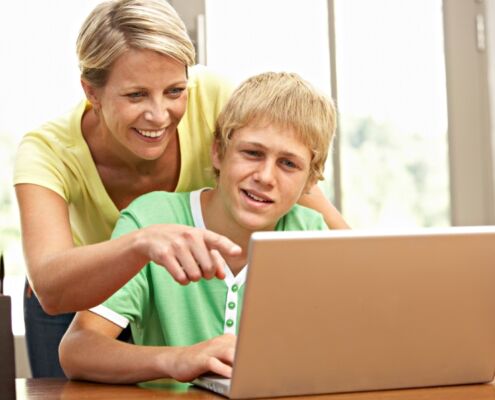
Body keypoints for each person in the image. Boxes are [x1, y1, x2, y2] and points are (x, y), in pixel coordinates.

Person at [13, 0, 348, 378]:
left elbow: (293, 169)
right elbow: (54, 294)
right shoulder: (47, 151)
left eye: (174, 90)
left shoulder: (216, 97)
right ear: (92, 91)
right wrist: (142, 243)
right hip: (77, 285)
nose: (159, 115)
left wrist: (367, 266)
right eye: (136, 95)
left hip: (174, 286)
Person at [59, 71, 336, 383]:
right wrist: (176, 359)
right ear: (218, 152)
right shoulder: (152, 220)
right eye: (252, 153)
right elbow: (77, 349)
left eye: (288, 164)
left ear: (310, 180)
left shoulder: (312, 234)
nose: (265, 177)